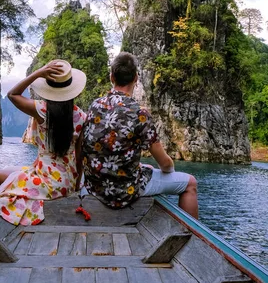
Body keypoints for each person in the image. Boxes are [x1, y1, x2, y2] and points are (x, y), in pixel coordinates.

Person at [0, 60, 87, 228]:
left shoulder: (41, 109)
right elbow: (79, 158)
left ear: (50, 89)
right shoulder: (81, 117)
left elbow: (12, 94)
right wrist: (75, 188)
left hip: (46, 181)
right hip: (65, 183)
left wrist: (38, 73)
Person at [81, 52, 198, 218]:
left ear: (111, 77)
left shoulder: (95, 106)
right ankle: (192, 238)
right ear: (136, 78)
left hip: (95, 186)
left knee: (147, 168)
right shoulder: (139, 113)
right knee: (190, 184)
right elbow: (164, 163)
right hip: (124, 191)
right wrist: (170, 168)